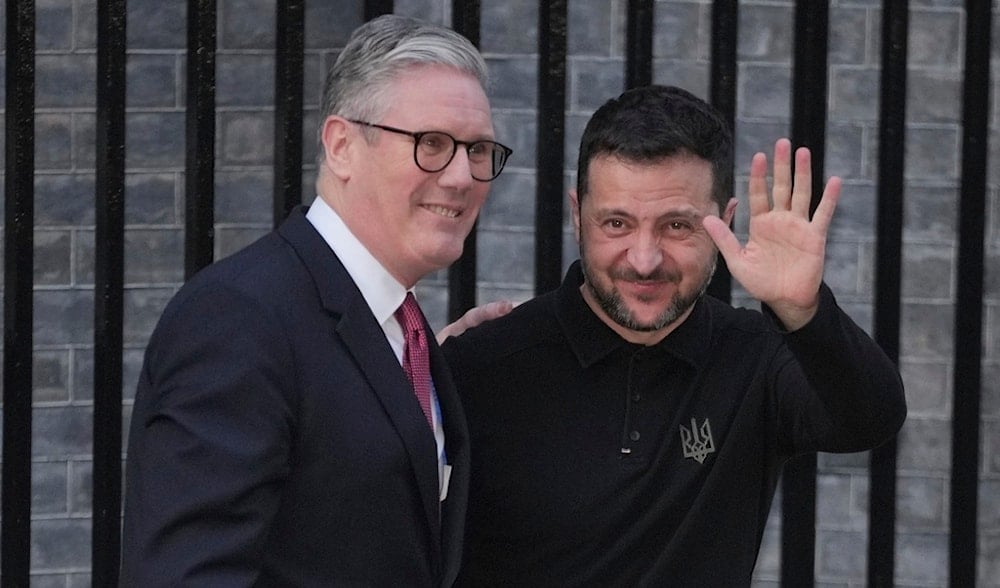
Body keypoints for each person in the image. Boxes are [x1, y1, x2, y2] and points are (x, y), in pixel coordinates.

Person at [440, 85, 907, 586]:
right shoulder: (481, 364)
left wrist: (802, 310)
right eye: (617, 223)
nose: (645, 259)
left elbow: (871, 419)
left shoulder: (757, 358)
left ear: (724, 222)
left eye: (677, 226)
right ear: (578, 216)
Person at [121, 14, 512, 586]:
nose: (460, 176)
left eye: (478, 150)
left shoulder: (401, 328)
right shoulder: (238, 318)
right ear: (342, 145)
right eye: (431, 144)